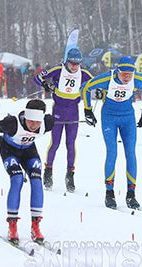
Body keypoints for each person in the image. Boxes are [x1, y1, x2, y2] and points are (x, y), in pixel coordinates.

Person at [82, 56, 142, 209]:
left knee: (130, 153)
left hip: (128, 119)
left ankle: (131, 195)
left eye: (130, 73)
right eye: (123, 73)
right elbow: (86, 87)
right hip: (109, 118)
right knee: (112, 152)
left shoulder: (137, 79)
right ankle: (109, 193)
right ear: (117, 70)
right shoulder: (107, 78)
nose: (127, 77)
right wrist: (87, 110)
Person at [0, 99, 54, 245]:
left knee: (37, 181)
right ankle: (12, 226)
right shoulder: (11, 123)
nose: (33, 126)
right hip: (9, 149)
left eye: (37, 122)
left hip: (28, 151)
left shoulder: (48, 122)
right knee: (17, 178)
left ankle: (36, 226)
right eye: (30, 121)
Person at [34, 48, 93, 192]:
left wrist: (97, 91)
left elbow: (96, 83)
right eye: (72, 63)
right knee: (55, 143)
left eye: (77, 64)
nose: (74, 66)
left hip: (73, 111)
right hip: (58, 110)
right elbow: (37, 78)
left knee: (71, 144)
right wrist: (45, 85)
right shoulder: (58, 69)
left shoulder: (83, 73)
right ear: (67, 61)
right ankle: (48, 172)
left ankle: (70, 175)